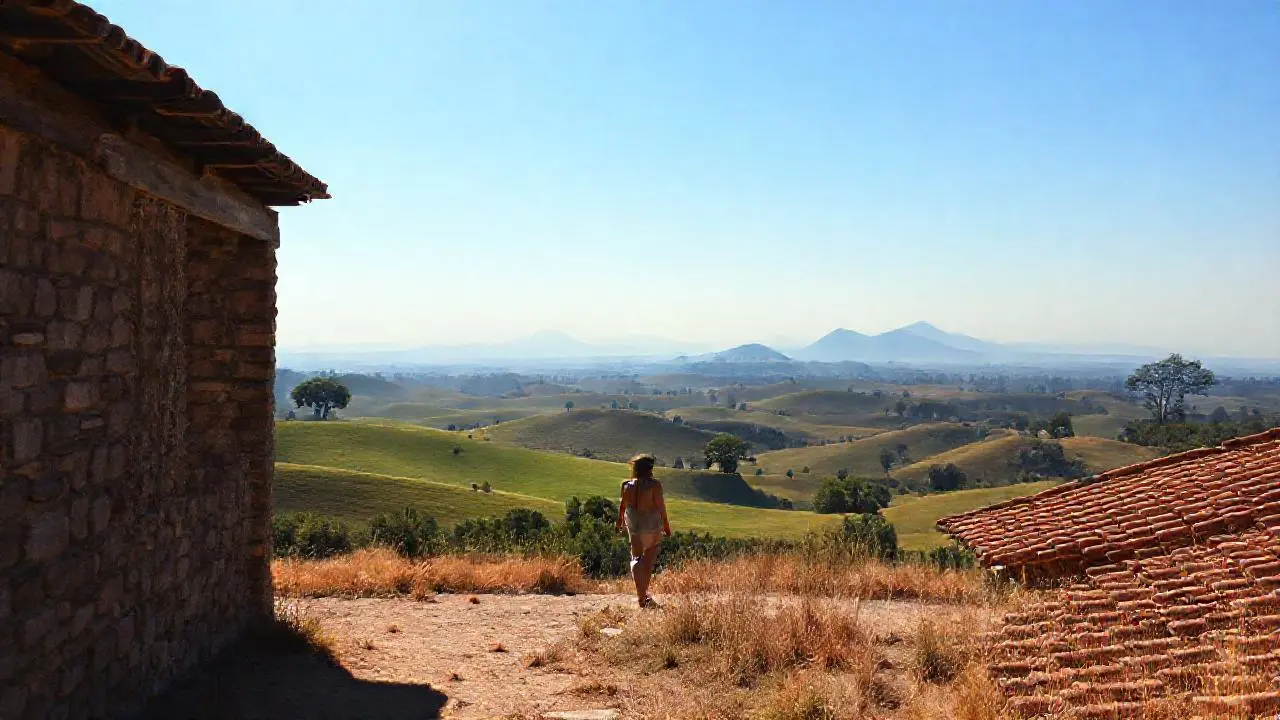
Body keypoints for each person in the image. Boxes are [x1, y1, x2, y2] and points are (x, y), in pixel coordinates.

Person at [615, 453, 671, 608]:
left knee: (637, 557)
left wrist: (619, 523)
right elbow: (661, 508)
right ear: (649, 469)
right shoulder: (654, 485)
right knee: (648, 562)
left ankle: (642, 596)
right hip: (652, 525)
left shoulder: (626, 485)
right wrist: (666, 526)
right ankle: (643, 596)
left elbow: (622, 507)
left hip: (634, 525)